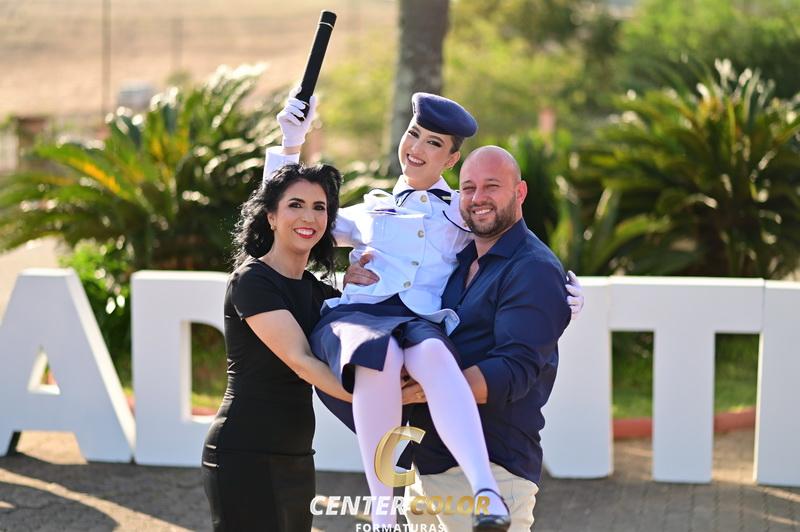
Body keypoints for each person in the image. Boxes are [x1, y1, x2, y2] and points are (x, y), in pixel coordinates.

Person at [264, 91, 584, 530]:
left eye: (433, 143)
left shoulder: (461, 212)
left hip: (423, 331)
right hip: (379, 347)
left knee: (435, 355)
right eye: (413, 134)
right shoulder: (371, 209)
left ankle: (485, 488)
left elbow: (518, 251)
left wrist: (564, 296)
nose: (417, 148)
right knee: (378, 356)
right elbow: (286, 217)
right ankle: (382, 510)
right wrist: (289, 145)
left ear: (450, 160)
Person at [390, 145, 570, 531]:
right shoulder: (457, 262)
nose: (477, 198)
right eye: (468, 188)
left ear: (520, 192)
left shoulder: (534, 269)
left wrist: (426, 389)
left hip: (492, 471)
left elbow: (513, 370)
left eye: (492, 186)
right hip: (427, 468)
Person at [201, 163, 352, 531]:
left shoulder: (320, 293)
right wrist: (379, 399)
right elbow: (301, 361)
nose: (309, 217)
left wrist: (363, 288)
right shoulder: (252, 280)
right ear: (270, 216)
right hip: (243, 452)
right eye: (295, 205)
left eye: (319, 207)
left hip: (297, 455)